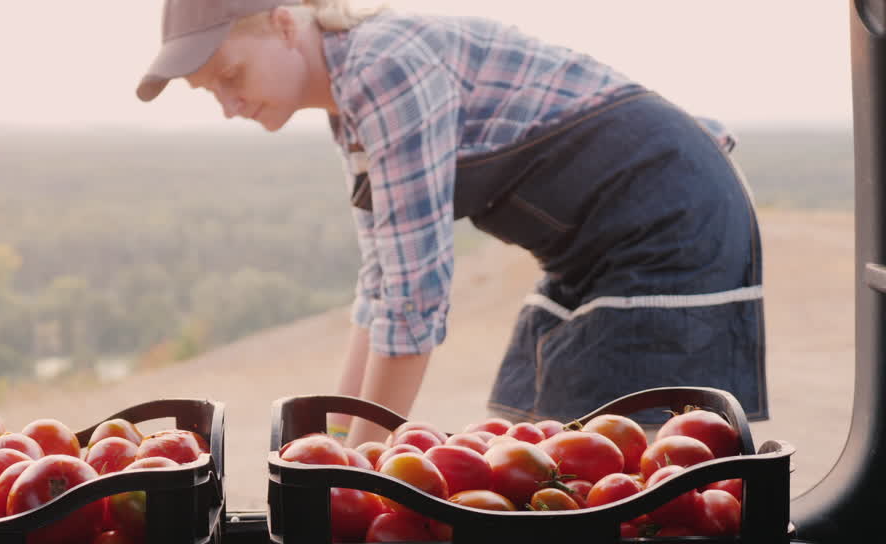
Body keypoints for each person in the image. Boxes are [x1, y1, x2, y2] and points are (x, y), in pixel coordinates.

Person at [137, 0, 767, 446]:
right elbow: (382, 286)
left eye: (231, 74)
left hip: (671, 219)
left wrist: (355, 471)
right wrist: (336, 437)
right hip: (595, 254)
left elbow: (414, 301)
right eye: (210, 91)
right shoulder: (350, 103)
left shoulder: (385, 65)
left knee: (614, 471)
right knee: (535, 451)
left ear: (283, 25)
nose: (229, 105)